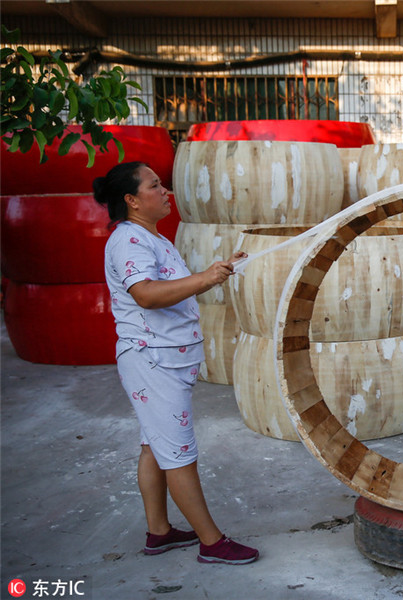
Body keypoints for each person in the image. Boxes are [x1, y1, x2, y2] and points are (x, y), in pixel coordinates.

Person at [94, 161, 258, 565]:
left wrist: (219, 270)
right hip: (152, 361)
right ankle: (212, 542)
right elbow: (146, 294)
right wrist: (206, 278)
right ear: (131, 200)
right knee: (179, 454)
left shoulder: (151, 237)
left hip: (165, 360)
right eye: (154, 185)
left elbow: (168, 288)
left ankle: (159, 532)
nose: (164, 190)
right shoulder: (129, 242)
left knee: (156, 446)